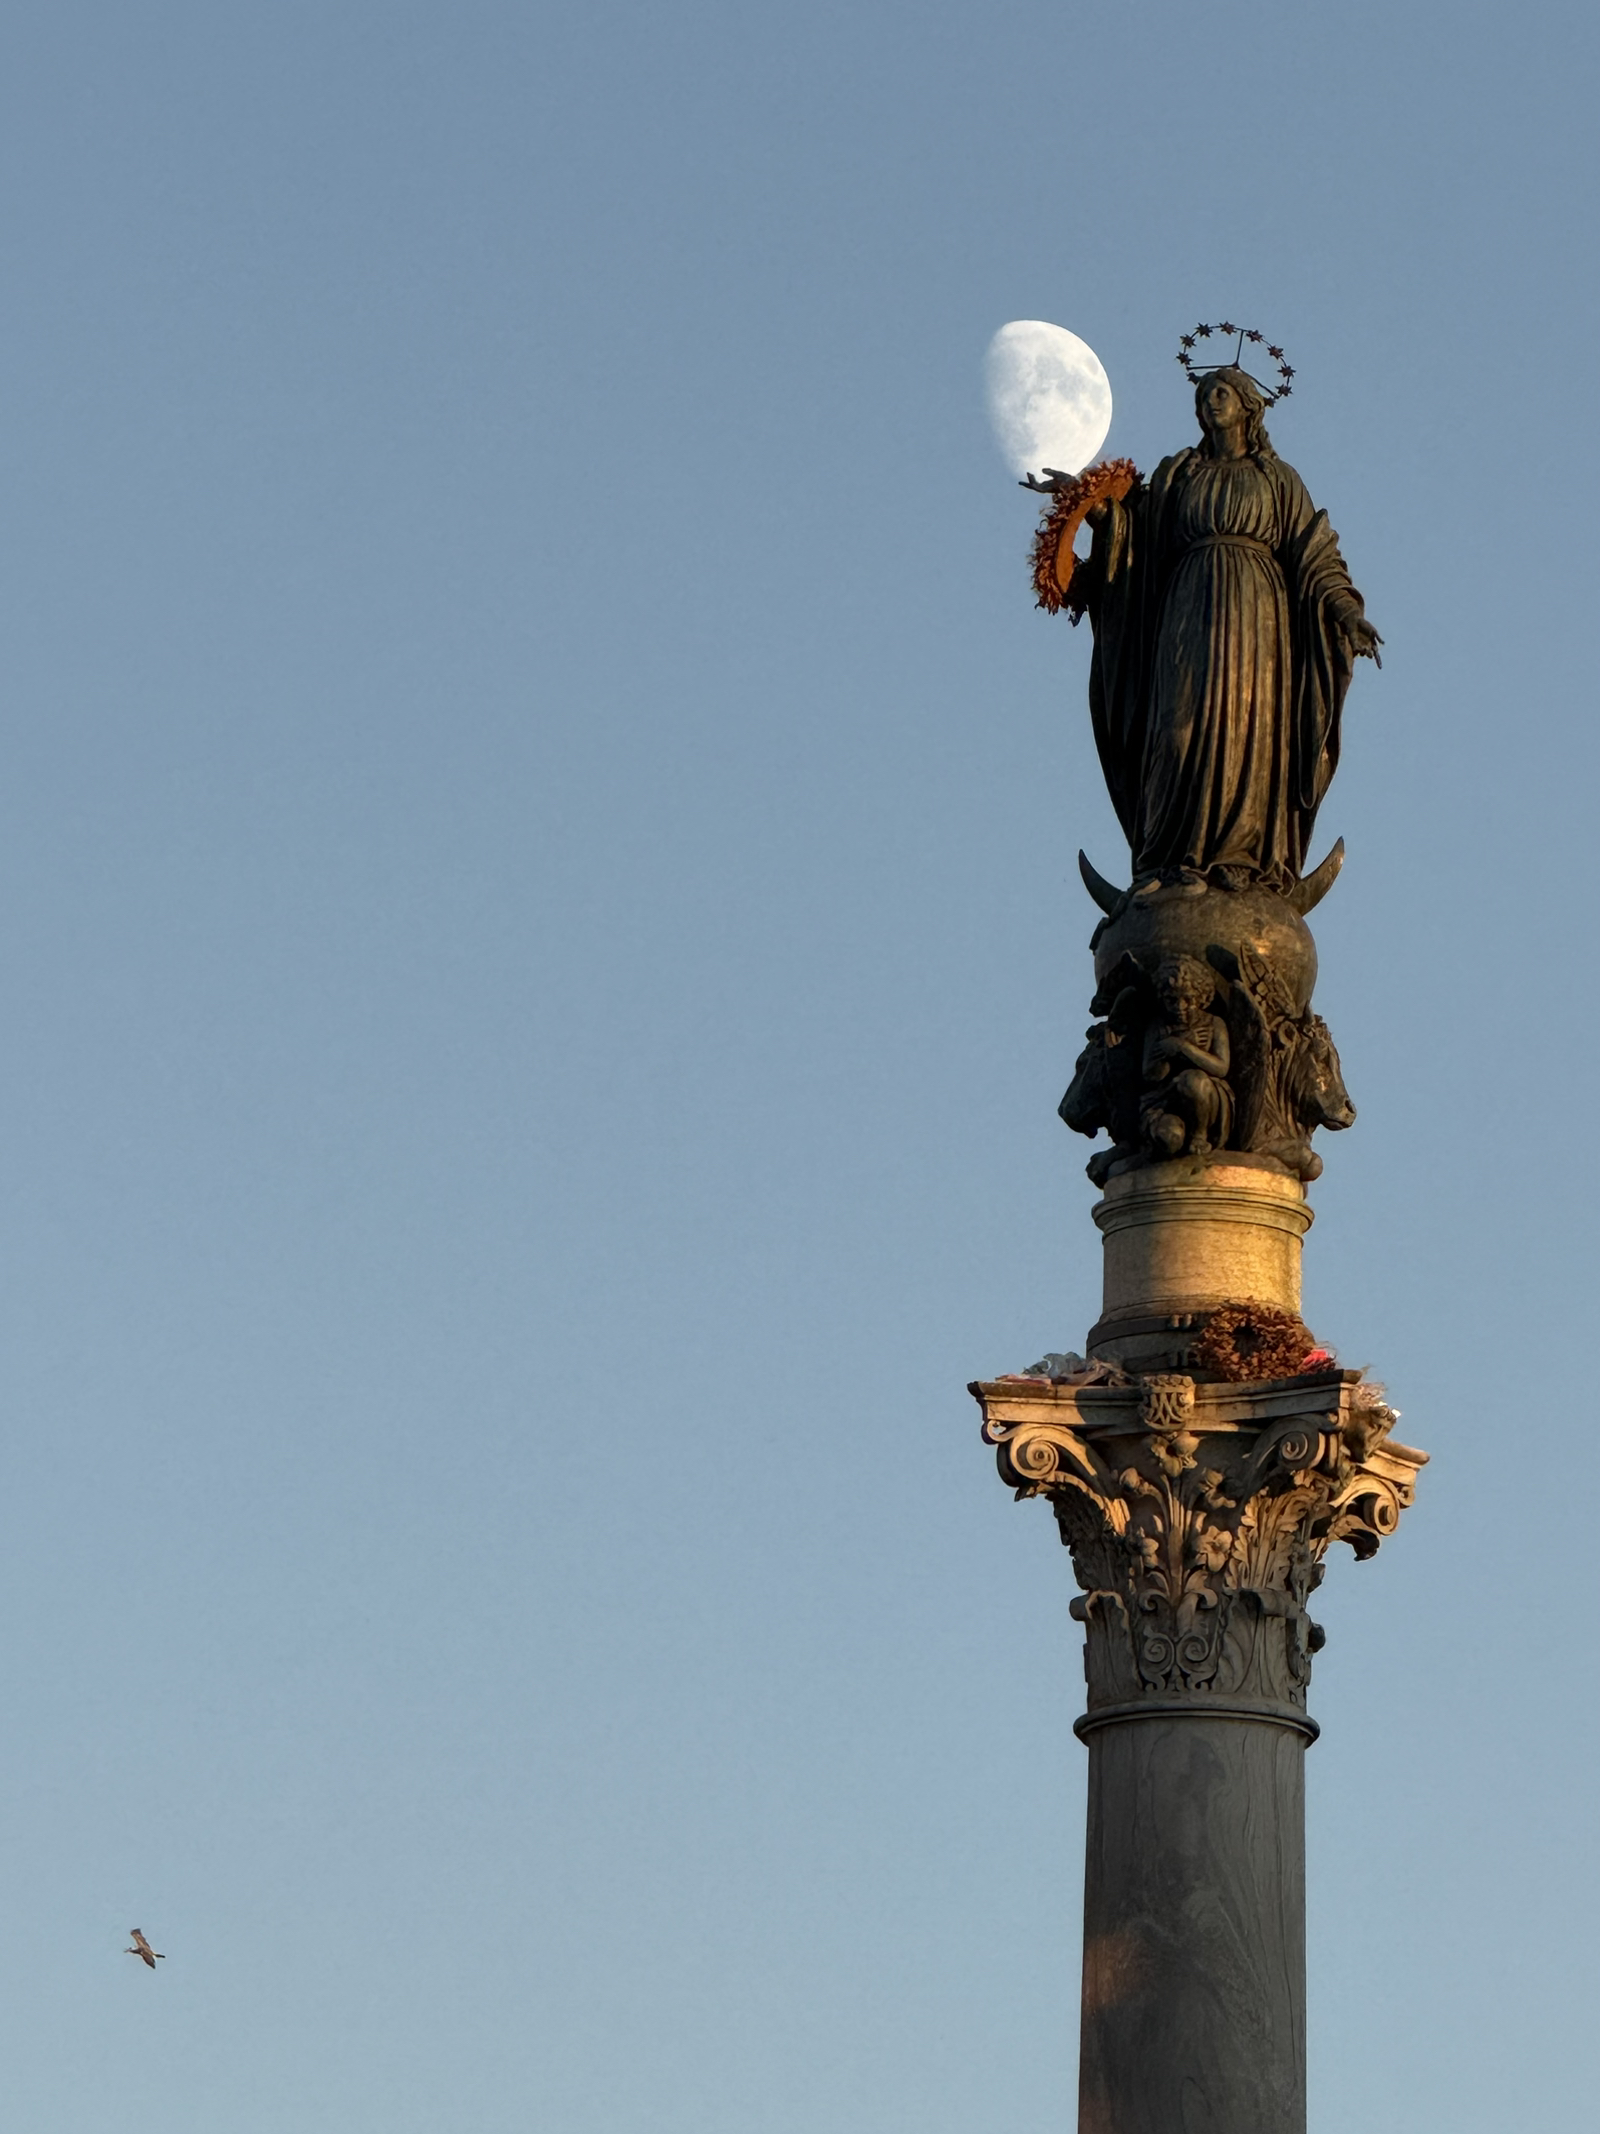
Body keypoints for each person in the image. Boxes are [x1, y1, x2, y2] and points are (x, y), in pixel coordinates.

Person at [1054, 368, 1380, 892]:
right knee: (1176, 728)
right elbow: (1136, 535)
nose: (1210, 402)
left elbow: (1315, 553)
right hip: (1186, 607)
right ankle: (1170, 854)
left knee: (1247, 727)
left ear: (1249, 405)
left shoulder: (1279, 480)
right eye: (1204, 396)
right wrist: (1086, 506)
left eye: (1221, 393)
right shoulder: (1179, 474)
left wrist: (1344, 611)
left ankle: (1239, 856)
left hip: (1257, 616)